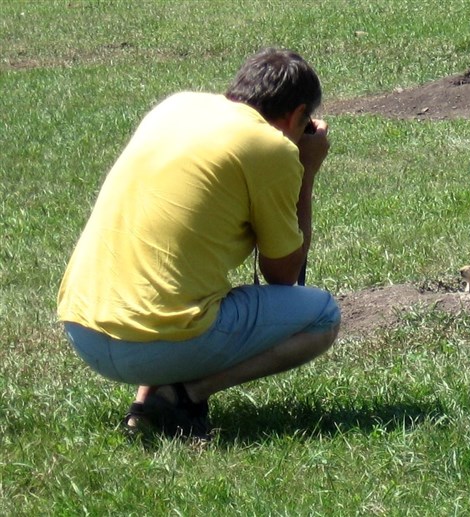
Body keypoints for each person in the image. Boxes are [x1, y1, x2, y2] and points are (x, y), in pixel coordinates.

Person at [57, 48, 341, 440]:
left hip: (82, 327)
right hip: (149, 344)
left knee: (178, 279)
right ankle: (185, 395)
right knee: (323, 316)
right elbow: (283, 274)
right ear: (298, 115)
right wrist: (306, 169)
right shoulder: (271, 147)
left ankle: (146, 403)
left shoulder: (176, 106)